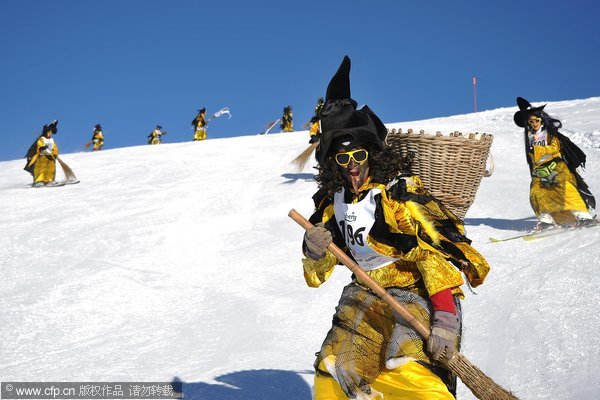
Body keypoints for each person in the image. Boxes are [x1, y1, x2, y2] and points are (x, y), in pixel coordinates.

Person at [300, 56, 490, 399]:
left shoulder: (395, 197)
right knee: (333, 373)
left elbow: (433, 256)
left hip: (415, 294)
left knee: (409, 375)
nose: (352, 165)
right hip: (364, 295)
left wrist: (445, 317)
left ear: (370, 154)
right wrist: (314, 249)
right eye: (343, 159)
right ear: (334, 163)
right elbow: (318, 273)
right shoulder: (332, 204)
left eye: (358, 155)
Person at [513, 97, 595, 229]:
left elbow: (554, 148)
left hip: (556, 166)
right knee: (537, 192)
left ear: (541, 120)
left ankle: (583, 216)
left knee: (566, 189)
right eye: (531, 121)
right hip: (540, 170)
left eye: (536, 120)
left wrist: (537, 150)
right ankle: (546, 220)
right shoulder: (530, 138)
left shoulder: (550, 134)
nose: (534, 124)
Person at [24, 120, 60, 187]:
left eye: (51, 133)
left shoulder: (52, 140)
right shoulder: (41, 139)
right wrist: (42, 148)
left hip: (50, 158)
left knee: (51, 169)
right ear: (46, 132)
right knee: (41, 169)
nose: (50, 134)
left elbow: (55, 148)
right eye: (49, 132)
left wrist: (54, 153)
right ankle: (39, 181)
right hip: (41, 157)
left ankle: (50, 180)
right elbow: (39, 146)